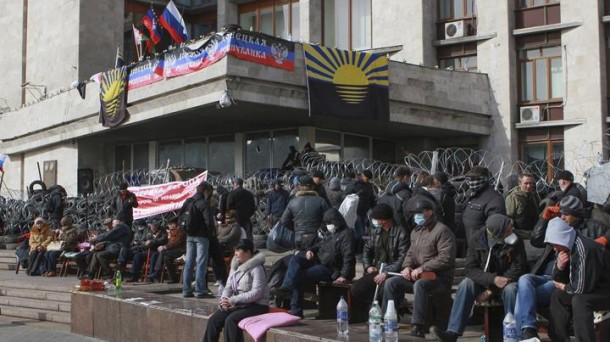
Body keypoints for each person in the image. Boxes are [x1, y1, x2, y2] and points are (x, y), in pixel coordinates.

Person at [431, 214, 528, 342]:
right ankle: (452, 332)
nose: (511, 232)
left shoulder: (515, 240)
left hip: (506, 282)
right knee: (466, 284)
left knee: (511, 289)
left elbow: (518, 268)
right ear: (498, 233)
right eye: (508, 230)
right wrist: (492, 280)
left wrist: (491, 290)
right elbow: (470, 269)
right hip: (485, 280)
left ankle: (514, 333)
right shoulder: (476, 240)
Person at [382, 198, 456, 338]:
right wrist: (407, 267)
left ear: (429, 212)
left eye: (420, 213)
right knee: (391, 283)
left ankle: (418, 326)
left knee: (421, 285)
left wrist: (422, 268)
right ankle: (387, 319)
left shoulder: (442, 231)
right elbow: (410, 253)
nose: (417, 216)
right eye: (415, 213)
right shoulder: (416, 231)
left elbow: (445, 258)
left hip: (438, 278)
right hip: (418, 276)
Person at [273, 208, 355, 317]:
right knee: (295, 259)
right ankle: (286, 287)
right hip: (319, 261)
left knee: (299, 276)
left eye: (330, 223)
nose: (328, 226)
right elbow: (320, 245)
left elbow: (348, 256)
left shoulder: (346, 234)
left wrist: (344, 275)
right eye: (326, 223)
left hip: (331, 268)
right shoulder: (330, 233)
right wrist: (310, 250)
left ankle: (295, 309)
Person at [544, 218, 610, 342]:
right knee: (557, 296)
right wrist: (560, 267)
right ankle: (558, 339)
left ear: (562, 238)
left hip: (605, 289)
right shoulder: (565, 248)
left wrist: (565, 287)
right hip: (591, 288)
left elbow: (582, 288)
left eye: (555, 244)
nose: (554, 248)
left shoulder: (584, 248)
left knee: (580, 301)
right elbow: (557, 279)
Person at [203, 239, 269, 342]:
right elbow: (228, 287)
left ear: (248, 253)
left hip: (257, 305)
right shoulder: (235, 266)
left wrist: (232, 300)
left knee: (231, 320)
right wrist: (224, 299)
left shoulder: (257, 268)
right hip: (240, 303)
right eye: (235, 251)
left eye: (238, 251)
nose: (236, 254)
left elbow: (257, 293)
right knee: (214, 319)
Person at [350, 203, 409, 309]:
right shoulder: (376, 231)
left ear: (383, 220)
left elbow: (402, 258)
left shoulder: (401, 233)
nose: (374, 221)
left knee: (383, 289)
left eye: (376, 219)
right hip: (378, 269)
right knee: (356, 288)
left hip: (393, 272)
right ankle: (379, 305)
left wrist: (386, 273)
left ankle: (387, 310)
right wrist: (368, 266)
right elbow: (367, 249)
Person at [182, 181, 216, 298]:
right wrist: (211, 233)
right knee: (201, 263)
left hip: (189, 235)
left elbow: (181, 216)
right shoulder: (204, 203)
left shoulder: (188, 201)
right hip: (202, 237)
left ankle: (186, 290)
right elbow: (209, 221)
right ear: (206, 191)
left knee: (189, 263)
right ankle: (200, 291)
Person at [281, 175, 329, 252]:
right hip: (316, 236)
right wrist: (321, 228)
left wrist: (297, 229)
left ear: (300, 187)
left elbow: (284, 220)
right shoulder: (320, 201)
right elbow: (328, 218)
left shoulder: (293, 202)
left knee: (300, 260)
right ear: (312, 187)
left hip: (299, 237)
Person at [461, 166, 506, 244]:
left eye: (476, 179)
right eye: (470, 179)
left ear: (485, 179)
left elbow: (495, 228)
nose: (472, 182)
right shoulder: (470, 196)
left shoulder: (494, 199)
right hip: (471, 246)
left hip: (483, 248)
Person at [153, 218, 186, 284]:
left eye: (170, 224)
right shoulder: (172, 231)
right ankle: (173, 278)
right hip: (174, 250)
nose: (169, 226)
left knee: (163, 252)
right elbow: (171, 243)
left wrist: (165, 247)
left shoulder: (181, 230)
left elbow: (177, 242)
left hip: (182, 250)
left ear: (175, 224)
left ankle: (157, 272)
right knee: (166, 258)